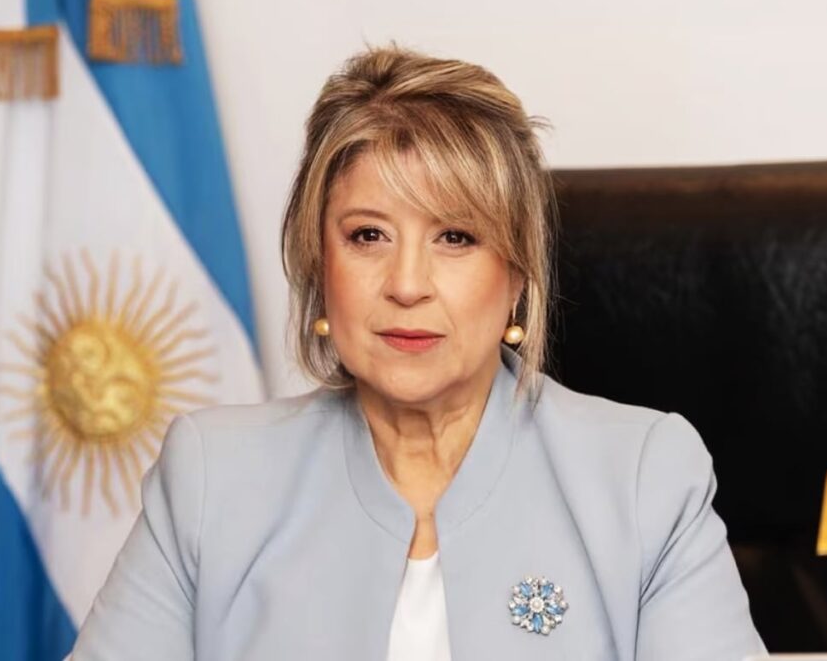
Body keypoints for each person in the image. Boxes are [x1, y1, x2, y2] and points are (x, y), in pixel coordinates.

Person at [70, 46, 766, 660]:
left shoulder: (645, 480)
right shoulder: (210, 478)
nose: (406, 284)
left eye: (455, 237)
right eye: (368, 236)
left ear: (516, 273)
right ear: (318, 262)